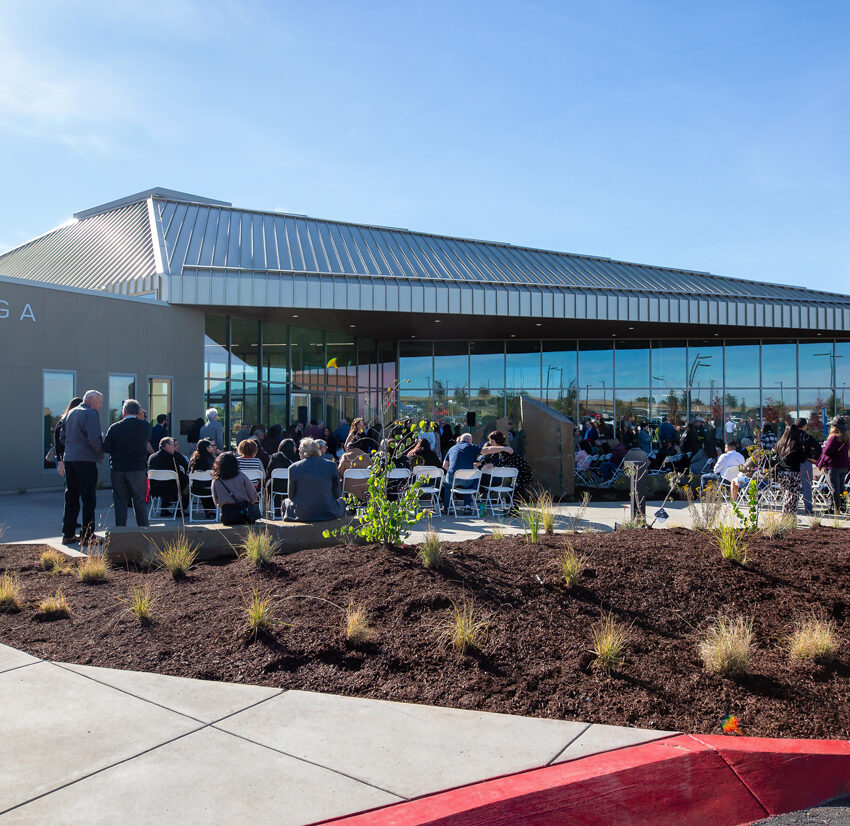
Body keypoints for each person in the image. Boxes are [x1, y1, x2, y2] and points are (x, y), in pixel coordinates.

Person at [61, 390, 105, 544]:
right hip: (85, 460)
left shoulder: (71, 412)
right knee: (88, 498)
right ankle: (87, 536)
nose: (101, 405)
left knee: (71, 496)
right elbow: (94, 438)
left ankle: (68, 534)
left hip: (69, 459)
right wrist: (101, 450)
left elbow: (62, 437)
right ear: (91, 401)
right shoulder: (91, 413)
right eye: (100, 402)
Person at [102, 399, 151, 528]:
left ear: (124, 412)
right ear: (139, 412)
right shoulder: (144, 426)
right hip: (137, 468)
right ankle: (144, 529)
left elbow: (106, 448)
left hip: (118, 468)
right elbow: (146, 440)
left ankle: (120, 530)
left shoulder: (115, 427)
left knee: (120, 502)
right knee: (139, 501)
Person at [283, 437, 346, 522]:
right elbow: (337, 494)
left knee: (285, 502)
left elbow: (291, 495)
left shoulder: (293, 468)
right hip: (328, 511)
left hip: (303, 513)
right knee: (342, 501)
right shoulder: (331, 465)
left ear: (303, 451)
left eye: (299, 450)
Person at [211, 452, 260, 525]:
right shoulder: (242, 476)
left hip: (227, 516)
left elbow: (216, 502)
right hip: (244, 513)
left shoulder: (216, 480)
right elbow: (253, 496)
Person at [816, 417, 850, 514]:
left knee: (834, 488)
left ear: (835, 427)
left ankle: (834, 508)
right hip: (844, 466)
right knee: (841, 487)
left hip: (833, 466)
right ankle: (843, 506)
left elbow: (827, 451)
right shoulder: (847, 438)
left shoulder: (834, 437)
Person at [148, 437, 189, 511]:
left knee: (167, 481)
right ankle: (180, 510)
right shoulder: (173, 458)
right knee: (186, 485)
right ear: (166, 446)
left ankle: (164, 509)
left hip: (155, 489)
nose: (175, 447)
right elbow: (180, 474)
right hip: (172, 489)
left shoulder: (152, 457)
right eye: (173, 445)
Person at [775, 422, 805, 515]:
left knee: (787, 494)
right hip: (793, 473)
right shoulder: (795, 445)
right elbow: (802, 459)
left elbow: (777, 458)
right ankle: (789, 515)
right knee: (793, 496)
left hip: (782, 473)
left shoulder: (780, 444)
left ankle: (786, 515)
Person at [52, 396, 83, 481]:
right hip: (66, 458)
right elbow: (58, 444)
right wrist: (60, 462)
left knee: (74, 485)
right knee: (72, 484)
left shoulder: (77, 422)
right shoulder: (63, 422)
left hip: (73, 457)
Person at [796, 419, 822, 515]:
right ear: (804, 426)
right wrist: (814, 458)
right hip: (805, 462)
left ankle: (792, 506)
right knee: (807, 485)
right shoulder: (807, 437)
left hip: (793, 463)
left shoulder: (791, 437)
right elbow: (818, 448)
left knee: (794, 486)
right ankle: (808, 507)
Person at [338, 437, 373, 503]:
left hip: (349, 488)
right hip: (366, 487)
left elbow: (339, 471)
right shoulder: (366, 456)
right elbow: (373, 469)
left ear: (348, 448)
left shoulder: (345, 456)